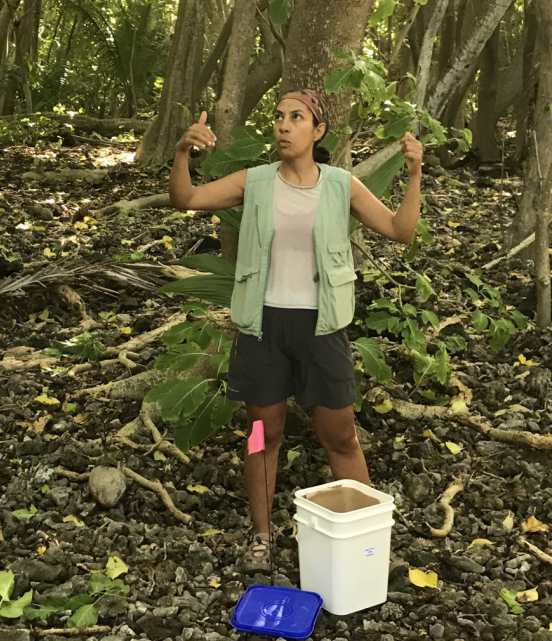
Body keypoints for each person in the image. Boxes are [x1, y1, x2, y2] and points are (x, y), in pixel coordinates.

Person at [170, 89, 423, 573]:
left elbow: (400, 230)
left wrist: (413, 174)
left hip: (321, 326)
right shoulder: (256, 181)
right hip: (262, 325)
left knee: (342, 436)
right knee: (262, 434)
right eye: (279, 117)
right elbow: (186, 199)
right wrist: (183, 151)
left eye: (297, 117)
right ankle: (262, 540)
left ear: (318, 130)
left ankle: (364, 540)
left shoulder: (341, 185)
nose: (284, 126)